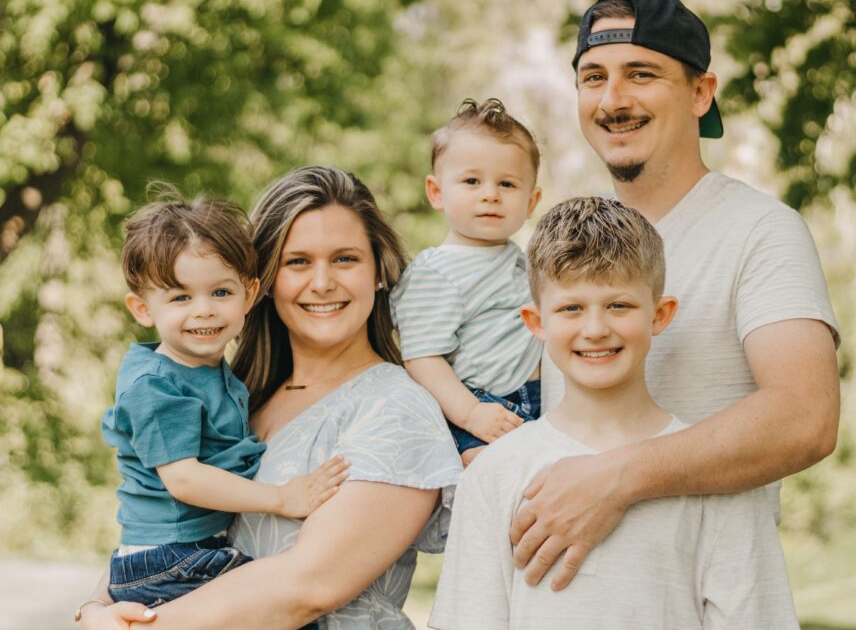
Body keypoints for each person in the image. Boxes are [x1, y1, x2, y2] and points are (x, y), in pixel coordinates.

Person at [510, 0, 842, 591]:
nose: (613, 100)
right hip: (564, 593)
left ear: (701, 92)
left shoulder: (760, 232)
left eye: (642, 73)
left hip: (703, 594)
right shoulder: (566, 244)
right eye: (593, 77)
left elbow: (806, 415)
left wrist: (615, 478)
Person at [79, 166, 463, 629]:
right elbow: (161, 526)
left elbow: (305, 588)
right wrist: (95, 611)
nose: (322, 282)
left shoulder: (398, 410)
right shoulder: (239, 392)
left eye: (345, 259)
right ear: (264, 280)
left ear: (379, 272)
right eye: (298, 262)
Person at [429, 197, 798, 629]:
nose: (596, 328)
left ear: (660, 315)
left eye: (619, 305)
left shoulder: (720, 481)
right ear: (535, 322)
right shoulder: (494, 474)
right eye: (571, 308)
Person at [101, 190, 347, 619]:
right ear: (142, 309)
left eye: (220, 292)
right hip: (169, 556)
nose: (204, 311)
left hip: (185, 550)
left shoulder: (212, 371)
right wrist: (282, 499)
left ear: (249, 295)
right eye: (180, 298)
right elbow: (185, 480)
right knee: (280, 605)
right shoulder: (155, 386)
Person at [391, 98, 543, 463]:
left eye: (507, 184)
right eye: (472, 181)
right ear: (437, 192)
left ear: (531, 201)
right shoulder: (437, 272)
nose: (490, 193)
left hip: (537, 400)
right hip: (481, 406)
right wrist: (471, 414)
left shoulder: (521, 259)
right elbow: (422, 357)